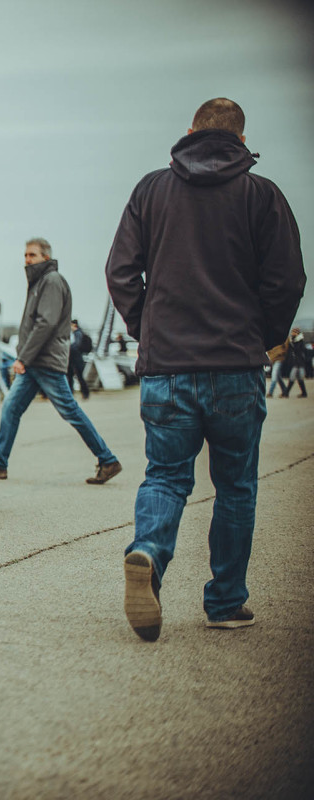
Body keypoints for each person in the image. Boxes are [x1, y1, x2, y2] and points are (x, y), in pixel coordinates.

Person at [105, 98, 306, 641]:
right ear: (242, 141)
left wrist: (146, 328)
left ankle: (147, 550)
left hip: (167, 367)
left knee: (166, 476)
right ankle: (225, 602)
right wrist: (262, 339)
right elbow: (287, 280)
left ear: (189, 131)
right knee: (236, 486)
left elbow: (120, 271)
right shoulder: (261, 195)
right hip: (236, 367)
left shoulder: (151, 190)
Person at [0, 238, 122, 484]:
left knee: (70, 411)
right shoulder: (40, 282)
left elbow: (46, 323)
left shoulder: (51, 281)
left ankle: (107, 460)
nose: (27, 260)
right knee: (11, 407)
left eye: (32, 255)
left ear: (46, 258)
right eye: (26, 255)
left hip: (44, 361)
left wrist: (23, 358)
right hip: (36, 363)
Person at [279, 327, 309, 397]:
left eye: (294, 332)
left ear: (297, 333)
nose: (292, 333)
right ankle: (302, 393)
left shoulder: (300, 341)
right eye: (292, 332)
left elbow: (301, 351)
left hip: (300, 362)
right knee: (295, 377)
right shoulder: (291, 341)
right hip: (294, 362)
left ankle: (287, 393)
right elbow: (289, 352)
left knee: (298, 377)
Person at [67, 320, 91, 399]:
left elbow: (76, 345)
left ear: (74, 325)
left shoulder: (77, 334)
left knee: (75, 377)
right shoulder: (77, 333)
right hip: (75, 359)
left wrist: (68, 348)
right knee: (75, 377)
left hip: (75, 359)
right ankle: (82, 393)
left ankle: (84, 393)